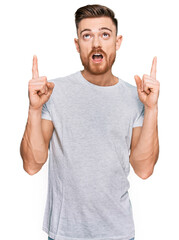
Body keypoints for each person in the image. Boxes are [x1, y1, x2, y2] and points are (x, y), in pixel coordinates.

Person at [20, 4, 160, 240]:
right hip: (64, 234)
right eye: (87, 35)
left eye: (105, 34)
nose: (97, 43)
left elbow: (144, 170)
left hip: (119, 233)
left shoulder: (136, 98)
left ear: (117, 42)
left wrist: (151, 108)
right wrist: (34, 109)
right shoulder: (53, 92)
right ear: (77, 44)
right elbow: (32, 165)